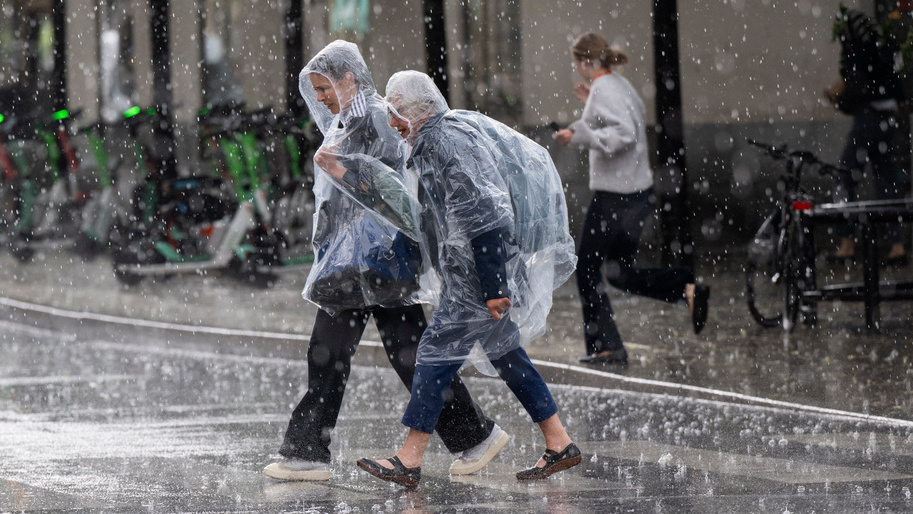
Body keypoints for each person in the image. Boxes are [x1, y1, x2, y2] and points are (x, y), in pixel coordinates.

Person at [262, 41, 507, 482]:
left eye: (324, 88)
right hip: (350, 262)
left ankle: (309, 453)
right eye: (315, 90)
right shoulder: (346, 120)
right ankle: (473, 436)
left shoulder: (377, 117)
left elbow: (396, 189)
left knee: (393, 355)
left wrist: (342, 171)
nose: (319, 98)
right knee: (341, 354)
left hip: (381, 259)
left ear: (348, 79)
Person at [355, 70, 580, 487]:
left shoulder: (446, 141)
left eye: (397, 111)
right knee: (508, 355)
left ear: (419, 109)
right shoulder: (430, 143)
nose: (392, 121)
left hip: (477, 281)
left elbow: (486, 213)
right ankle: (559, 441)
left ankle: (410, 457)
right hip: (470, 277)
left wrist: (494, 286)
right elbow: (434, 217)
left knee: (434, 355)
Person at [553, 32, 709, 365]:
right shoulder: (617, 85)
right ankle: (684, 287)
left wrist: (577, 133)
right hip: (638, 193)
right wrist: (590, 108)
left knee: (587, 270)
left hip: (615, 195)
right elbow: (626, 120)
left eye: (575, 61)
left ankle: (608, 347)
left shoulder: (606, 88)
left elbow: (624, 134)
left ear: (584, 61)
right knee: (618, 272)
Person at [823, 6, 908, 265]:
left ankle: (847, 243)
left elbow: (851, 83)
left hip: (870, 118)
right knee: (886, 180)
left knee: (845, 177)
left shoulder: (858, 51)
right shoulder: (881, 48)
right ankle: (897, 246)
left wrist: (836, 95)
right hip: (888, 118)